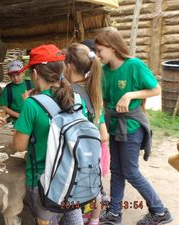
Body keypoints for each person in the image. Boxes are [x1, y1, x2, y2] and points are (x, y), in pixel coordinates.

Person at [94, 29, 173, 225]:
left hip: (132, 126)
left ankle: (159, 211)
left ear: (112, 48)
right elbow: (104, 99)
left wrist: (130, 95)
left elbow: (156, 89)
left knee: (130, 171)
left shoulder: (134, 65)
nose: (97, 55)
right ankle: (114, 213)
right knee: (116, 170)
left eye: (99, 50)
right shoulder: (104, 72)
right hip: (114, 126)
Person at [12, 44, 83, 225]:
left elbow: (19, 146)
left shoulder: (31, 104)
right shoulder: (76, 97)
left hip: (43, 180)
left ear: (35, 74)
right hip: (72, 175)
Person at [64, 43, 110, 225]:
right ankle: (94, 219)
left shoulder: (71, 93)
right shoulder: (93, 90)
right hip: (93, 149)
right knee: (94, 188)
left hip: (78, 152)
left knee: (73, 193)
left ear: (67, 66)